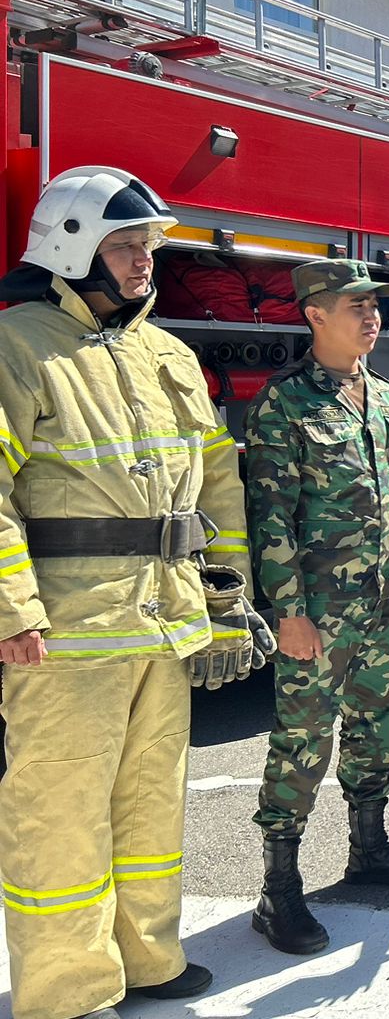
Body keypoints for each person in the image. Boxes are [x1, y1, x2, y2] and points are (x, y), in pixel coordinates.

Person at [0, 168, 255, 1019]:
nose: (145, 261)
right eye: (124, 245)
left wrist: (227, 602)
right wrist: (12, 611)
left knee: (150, 804)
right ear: (70, 248)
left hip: (165, 620)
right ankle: (66, 993)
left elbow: (216, 484)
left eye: (148, 245)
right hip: (67, 631)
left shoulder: (169, 354)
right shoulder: (19, 345)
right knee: (61, 812)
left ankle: (147, 959)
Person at [246, 259, 389, 956]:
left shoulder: (387, 400)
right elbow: (270, 519)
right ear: (314, 315)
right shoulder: (286, 404)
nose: (370, 315)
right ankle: (280, 890)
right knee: (301, 743)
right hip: (319, 614)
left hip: (386, 607)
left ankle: (369, 850)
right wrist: (287, 611)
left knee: (376, 727)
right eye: (353, 304)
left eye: (374, 304)